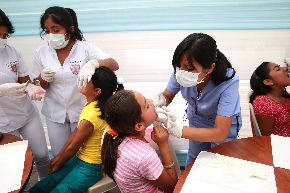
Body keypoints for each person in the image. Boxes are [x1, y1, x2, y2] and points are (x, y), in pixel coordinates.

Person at [31, 6, 119, 156]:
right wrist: (42, 79)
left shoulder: (84, 48)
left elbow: (114, 64)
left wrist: (94, 63)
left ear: (70, 29)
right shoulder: (42, 52)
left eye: (56, 29)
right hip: (55, 113)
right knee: (60, 154)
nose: (51, 35)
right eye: (47, 30)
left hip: (81, 111)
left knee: (81, 153)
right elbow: (37, 87)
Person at [152, 33, 242, 166]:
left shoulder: (228, 81)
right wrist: (159, 100)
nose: (181, 72)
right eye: (179, 66)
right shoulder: (180, 72)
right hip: (197, 120)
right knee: (194, 163)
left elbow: (220, 133)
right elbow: (168, 96)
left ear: (210, 68)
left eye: (190, 68)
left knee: (219, 165)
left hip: (223, 127)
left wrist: (179, 131)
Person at [30, 66, 121, 193]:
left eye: (87, 80)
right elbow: (75, 133)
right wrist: (58, 159)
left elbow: (72, 147)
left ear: (97, 91)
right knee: (45, 184)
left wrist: (58, 163)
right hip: (79, 159)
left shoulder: (92, 115)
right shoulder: (91, 104)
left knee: (58, 190)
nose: (82, 81)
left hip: (90, 168)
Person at [0, 9, 49, 179]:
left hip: (26, 113)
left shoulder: (12, 52)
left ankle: (45, 186)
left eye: (4, 36)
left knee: (42, 155)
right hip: (3, 122)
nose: (2, 40)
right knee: (14, 165)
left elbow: (24, 81)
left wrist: (32, 88)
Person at [102, 90, 178, 193]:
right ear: (139, 126)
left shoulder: (111, 135)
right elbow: (172, 188)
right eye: (146, 106)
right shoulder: (144, 156)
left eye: (146, 99)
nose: (152, 103)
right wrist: (163, 145)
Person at [249, 62, 290, 136]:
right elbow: (265, 139)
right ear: (268, 81)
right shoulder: (264, 103)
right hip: (280, 146)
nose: (286, 68)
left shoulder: (284, 96)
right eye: (278, 69)